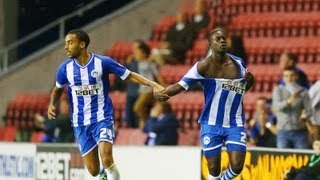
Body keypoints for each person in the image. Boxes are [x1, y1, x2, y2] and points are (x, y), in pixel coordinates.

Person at [47, 29, 164, 180]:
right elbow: (57, 89)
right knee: (94, 170)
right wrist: (52, 104)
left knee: (107, 158)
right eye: (65, 43)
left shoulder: (102, 62)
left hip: (102, 117)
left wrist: (152, 84)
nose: (66, 47)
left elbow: (129, 75)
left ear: (82, 44)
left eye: (70, 43)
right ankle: (103, 175)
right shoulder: (65, 69)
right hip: (80, 122)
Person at [155, 27, 255, 180]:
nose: (222, 41)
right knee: (213, 168)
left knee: (237, 167)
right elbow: (180, 86)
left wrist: (251, 81)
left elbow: (245, 86)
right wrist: (164, 93)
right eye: (218, 39)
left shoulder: (239, 63)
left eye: (224, 38)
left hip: (235, 122)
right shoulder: (202, 67)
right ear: (210, 44)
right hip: (211, 122)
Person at [272, 67, 312, 149]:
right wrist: (288, 101)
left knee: (301, 159)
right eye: (286, 76)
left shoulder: (303, 92)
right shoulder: (278, 90)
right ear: (283, 77)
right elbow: (276, 107)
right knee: (282, 158)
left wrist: (305, 115)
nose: (289, 78)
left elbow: (309, 110)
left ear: (296, 76)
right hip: (283, 131)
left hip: (300, 131)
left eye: (292, 75)